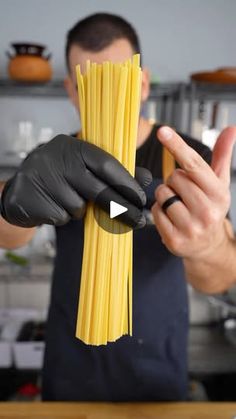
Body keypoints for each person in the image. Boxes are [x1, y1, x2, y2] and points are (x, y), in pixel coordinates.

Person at [1, 13, 236, 401]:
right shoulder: (52, 160)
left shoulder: (186, 158)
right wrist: (8, 203)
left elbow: (219, 277)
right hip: (70, 368)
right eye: (90, 85)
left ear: (141, 84)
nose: (105, 98)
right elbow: (10, 236)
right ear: (72, 90)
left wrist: (210, 245)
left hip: (157, 372)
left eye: (118, 83)